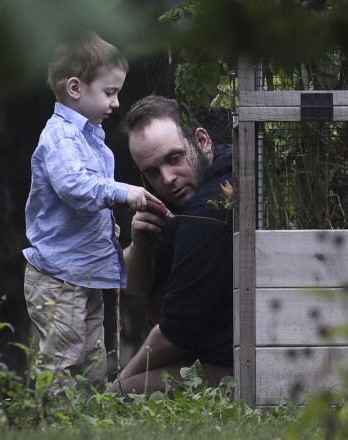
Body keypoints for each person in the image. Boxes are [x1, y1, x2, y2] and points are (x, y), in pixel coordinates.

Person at [23, 32, 157, 396]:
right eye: (110, 92)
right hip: (59, 275)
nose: (116, 102)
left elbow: (84, 204)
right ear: (75, 88)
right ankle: (56, 424)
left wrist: (107, 226)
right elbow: (75, 188)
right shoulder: (61, 137)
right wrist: (123, 192)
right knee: (63, 357)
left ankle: (89, 420)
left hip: (84, 272)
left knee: (92, 357)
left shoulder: (91, 138)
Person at [113, 95, 234, 395]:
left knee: (122, 395)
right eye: (152, 172)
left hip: (238, 368)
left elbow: (175, 336)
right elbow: (134, 286)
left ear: (202, 141)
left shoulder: (209, 208)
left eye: (174, 158)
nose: (168, 179)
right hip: (203, 353)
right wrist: (141, 245)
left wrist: (113, 389)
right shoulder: (186, 193)